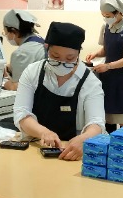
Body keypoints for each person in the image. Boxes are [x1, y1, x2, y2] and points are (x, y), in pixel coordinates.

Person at [13, 22, 105, 160]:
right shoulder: (33, 72)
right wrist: (43, 132)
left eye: (70, 58)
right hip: (36, 150)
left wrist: (84, 138)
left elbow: (97, 123)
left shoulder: (89, 82)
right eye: (55, 56)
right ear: (47, 48)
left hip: (71, 153)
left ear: (78, 54)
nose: (62, 63)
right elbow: (21, 113)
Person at [85, 0, 123, 133]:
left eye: (108, 16)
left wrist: (108, 66)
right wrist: (95, 54)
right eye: (103, 16)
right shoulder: (105, 27)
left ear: (119, 13)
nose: (106, 19)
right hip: (109, 77)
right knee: (108, 114)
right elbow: (105, 50)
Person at [2, 9, 45, 91]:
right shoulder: (40, 41)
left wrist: (6, 83)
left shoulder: (21, 53)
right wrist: (12, 67)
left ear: (13, 31)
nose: (6, 35)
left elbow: (17, 88)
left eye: (6, 32)